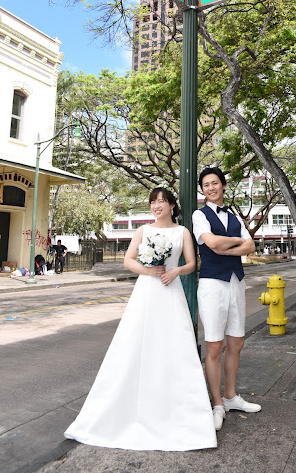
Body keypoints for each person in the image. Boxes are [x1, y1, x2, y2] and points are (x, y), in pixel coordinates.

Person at [65, 187, 216, 451]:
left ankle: (180, 411)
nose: (157, 205)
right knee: (136, 344)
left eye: (162, 201)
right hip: (147, 292)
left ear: (172, 205)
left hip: (172, 291)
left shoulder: (183, 233)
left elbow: (192, 263)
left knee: (174, 346)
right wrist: (148, 270)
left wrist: (175, 271)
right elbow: (128, 260)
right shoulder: (143, 231)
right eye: (153, 202)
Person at [192, 167, 261, 432]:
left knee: (237, 342)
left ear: (223, 186)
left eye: (215, 183)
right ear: (203, 189)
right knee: (214, 346)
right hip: (212, 285)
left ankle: (231, 397)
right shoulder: (200, 215)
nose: (210, 188)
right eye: (206, 185)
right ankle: (217, 403)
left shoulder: (234, 216)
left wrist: (226, 244)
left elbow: (251, 246)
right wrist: (235, 244)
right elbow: (212, 245)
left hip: (236, 282)